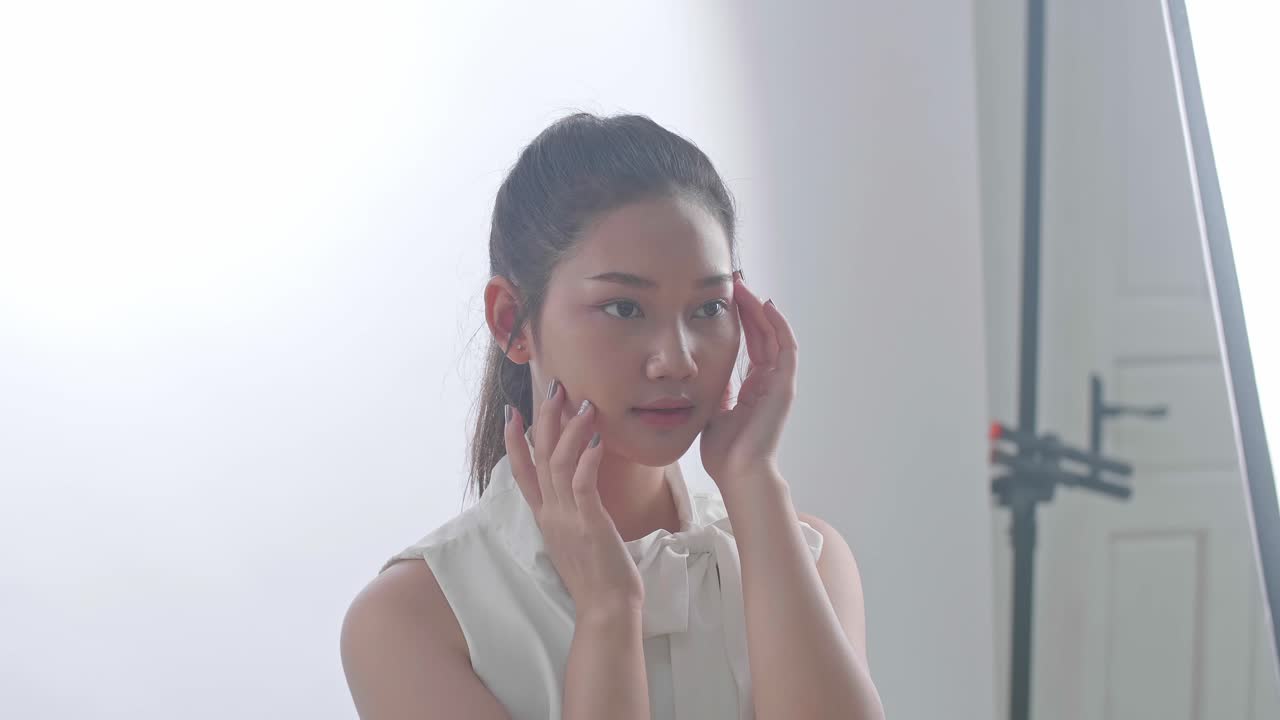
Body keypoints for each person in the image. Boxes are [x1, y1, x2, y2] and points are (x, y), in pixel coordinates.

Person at [339, 112, 884, 720]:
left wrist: (751, 476)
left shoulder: (809, 558)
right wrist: (607, 613)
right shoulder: (414, 620)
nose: (676, 361)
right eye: (625, 308)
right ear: (509, 321)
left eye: (708, 308)